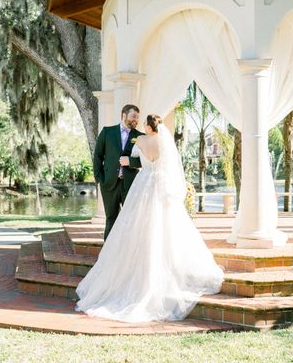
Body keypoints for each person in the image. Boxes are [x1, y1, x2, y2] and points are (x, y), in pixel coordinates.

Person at [76, 114, 224, 322]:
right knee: (167, 227)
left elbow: (137, 160)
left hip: (143, 184)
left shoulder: (141, 140)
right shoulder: (165, 142)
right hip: (161, 185)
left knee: (135, 224)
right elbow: (171, 167)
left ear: (147, 126)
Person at [93, 104, 144, 240]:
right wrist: (99, 179)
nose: (136, 120)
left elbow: (147, 161)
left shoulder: (141, 137)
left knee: (130, 219)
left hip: (130, 184)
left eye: (137, 118)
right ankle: (108, 255)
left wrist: (131, 162)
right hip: (109, 184)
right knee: (111, 218)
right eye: (134, 116)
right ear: (124, 115)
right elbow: (98, 156)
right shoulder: (107, 132)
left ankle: (127, 252)